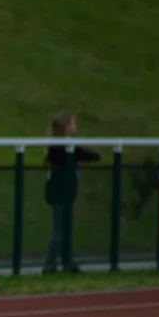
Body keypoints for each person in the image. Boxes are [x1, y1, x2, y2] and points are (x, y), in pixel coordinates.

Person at [43, 110, 100, 273]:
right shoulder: (62, 148)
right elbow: (87, 155)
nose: (75, 127)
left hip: (64, 192)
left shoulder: (65, 146)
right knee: (58, 229)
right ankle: (50, 264)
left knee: (64, 228)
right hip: (59, 193)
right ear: (66, 128)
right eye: (73, 124)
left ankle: (66, 261)